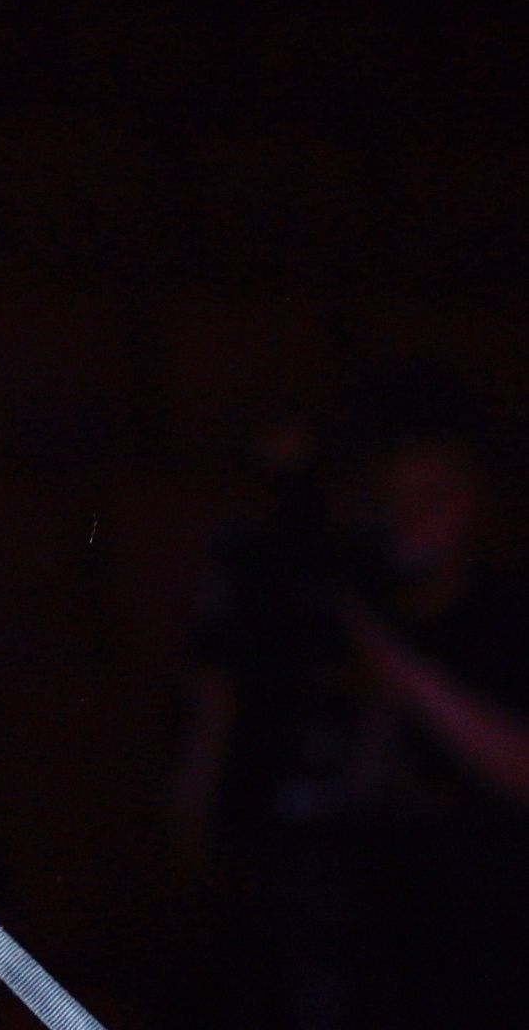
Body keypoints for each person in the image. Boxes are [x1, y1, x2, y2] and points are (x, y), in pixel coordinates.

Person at [174, 365, 529, 1028]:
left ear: (479, 498)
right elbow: (215, 782)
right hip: (329, 947)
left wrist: (399, 670)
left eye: (435, 499)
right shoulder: (313, 614)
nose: (409, 522)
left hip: (473, 959)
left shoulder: (507, 620)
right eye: (391, 499)